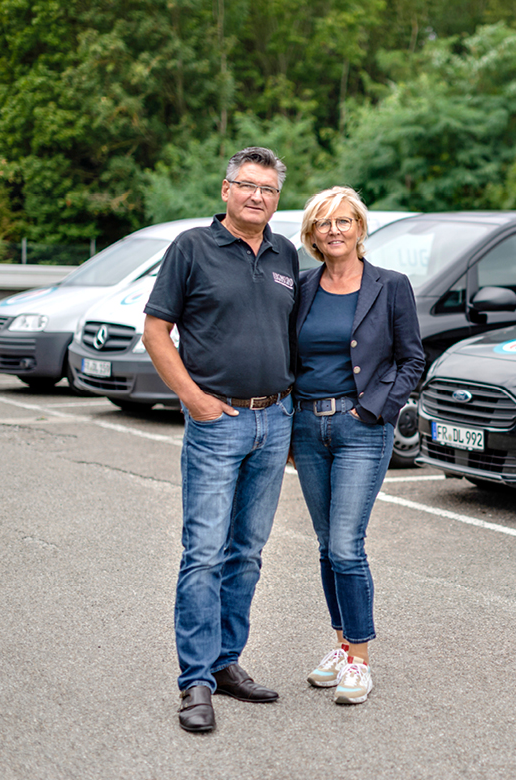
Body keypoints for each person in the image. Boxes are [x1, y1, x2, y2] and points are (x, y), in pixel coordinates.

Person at [143, 147, 300, 733]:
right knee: (204, 552)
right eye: (248, 185)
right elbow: (156, 330)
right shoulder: (191, 248)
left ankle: (227, 662)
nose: (258, 196)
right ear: (227, 189)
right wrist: (193, 398)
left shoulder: (287, 254)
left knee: (248, 553)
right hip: (218, 423)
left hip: (275, 419)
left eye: (269, 189)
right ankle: (196, 683)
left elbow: (294, 337)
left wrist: (291, 420)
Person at [291, 186, 424, 705]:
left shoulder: (390, 286)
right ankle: (342, 646)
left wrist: (373, 411)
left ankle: (360, 660)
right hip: (307, 426)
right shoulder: (302, 287)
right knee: (326, 547)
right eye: (324, 223)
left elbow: (412, 358)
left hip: (360, 429)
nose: (335, 230)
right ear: (312, 234)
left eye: (344, 220)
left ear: (360, 228)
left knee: (347, 545)